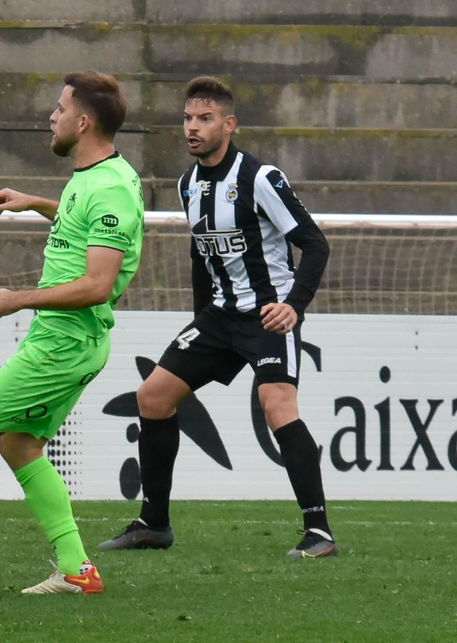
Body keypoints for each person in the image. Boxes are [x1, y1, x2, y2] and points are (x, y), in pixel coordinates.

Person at [0, 71, 142, 597]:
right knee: (19, 445)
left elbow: (98, 284)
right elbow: (86, 227)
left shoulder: (108, 188)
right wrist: (35, 202)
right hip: (69, 340)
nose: (52, 116)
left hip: (64, 341)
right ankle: (76, 569)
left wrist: (17, 299)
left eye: (60, 108)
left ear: (83, 122)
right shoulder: (101, 175)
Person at [99, 76, 334, 558]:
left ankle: (319, 532)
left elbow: (314, 244)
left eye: (204, 119)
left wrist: (293, 307)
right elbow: (199, 256)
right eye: (187, 118)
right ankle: (154, 523)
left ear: (228, 124)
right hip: (219, 318)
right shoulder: (188, 184)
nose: (192, 127)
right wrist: (200, 321)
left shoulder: (259, 177)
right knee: (153, 396)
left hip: (268, 315)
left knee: (277, 406)